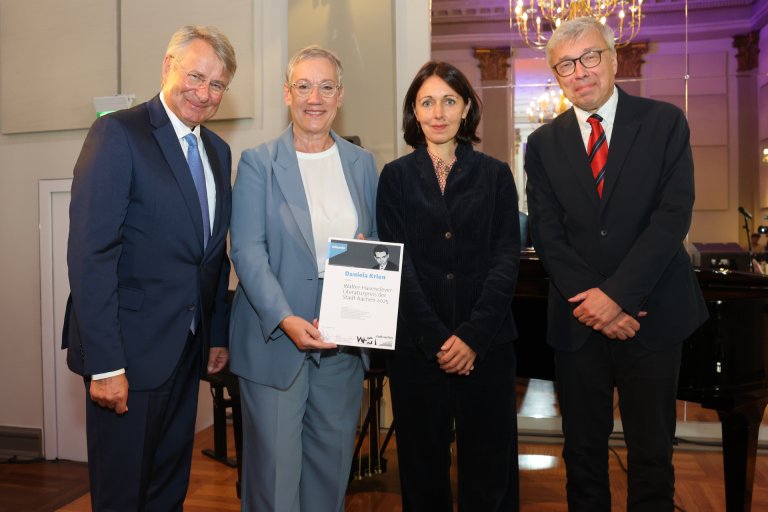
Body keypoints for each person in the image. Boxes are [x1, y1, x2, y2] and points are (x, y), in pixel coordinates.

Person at [524, 17, 709, 511]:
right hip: (578, 321)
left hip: (651, 317)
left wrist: (618, 297)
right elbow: (547, 232)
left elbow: (672, 218)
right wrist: (596, 303)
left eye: (589, 57)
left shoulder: (665, 122)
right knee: (582, 455)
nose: (580, 71)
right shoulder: (542, 144)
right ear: (556, 76)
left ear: (613, 58)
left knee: (652, 456)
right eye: (566, 64)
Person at [63, 25, 236, 511]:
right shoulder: (119, 132)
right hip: (127, 356)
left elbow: (211, 254)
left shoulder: (218, 152)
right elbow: (91, 254)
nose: (204, 93)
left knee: (167, 489)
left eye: (217, 84)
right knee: (123, 495)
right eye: (196, 76)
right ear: (168, 67)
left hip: (184, 353)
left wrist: (216, 334)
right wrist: (106, 364)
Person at [228, 45, 378, 512]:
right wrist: (287, 318)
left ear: (340, 95)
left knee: (329, 474)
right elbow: (248, 251)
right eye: (304, 86)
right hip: (277, 342)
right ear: (287, 94)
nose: (316, 97)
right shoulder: (259, 162)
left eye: (326, 86)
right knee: (273, 481)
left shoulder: (362, 162)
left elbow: (372, 242)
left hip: (341, 348)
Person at [377, 61, 521, 511]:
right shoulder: (395, 178)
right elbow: (398, 268)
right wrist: (439, 339)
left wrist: (472, 337)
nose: (438, 112)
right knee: (422, 476)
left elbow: (505, 262)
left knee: (489, 474)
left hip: (489, 348)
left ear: (466, 110)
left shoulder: (496, 176)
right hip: (419, 352)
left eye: (449, 100)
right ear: (414, 113)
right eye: (426, 102)